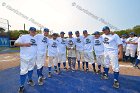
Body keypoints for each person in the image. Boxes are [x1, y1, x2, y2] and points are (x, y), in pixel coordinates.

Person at [15, 27, 37, 93]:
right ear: (29, 31)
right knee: (23, 71)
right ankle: (21, 86)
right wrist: (24, 44)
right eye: (32, 30)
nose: (33, 32)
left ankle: (29, 80)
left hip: (33, 58)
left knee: (31, 69)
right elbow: (15, 43)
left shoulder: (36, 38)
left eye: (34, 31)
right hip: (25, 58)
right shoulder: (24, 37)